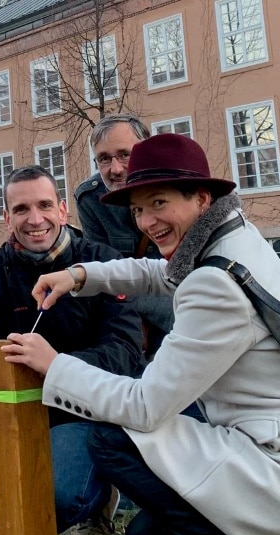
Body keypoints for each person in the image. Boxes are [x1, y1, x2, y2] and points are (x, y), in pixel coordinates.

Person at [4, 134, 280, 535]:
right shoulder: (232, 241)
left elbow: (144, 406)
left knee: (112, 434)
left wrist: (53, 366)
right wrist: (80, 274)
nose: (147, 221)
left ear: (201, 199)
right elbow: (157, 272)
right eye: (141, 209)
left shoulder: (216, 283)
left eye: (160, 203)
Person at [0, 165, 145, 535]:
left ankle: (98, 498)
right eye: (21, 209)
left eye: (45, 205)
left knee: (58, 499)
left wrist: (55, 365)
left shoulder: (102, 265)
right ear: (7, 217)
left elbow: (126, 356)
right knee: (12, 521)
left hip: (96, 411)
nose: (35, 220)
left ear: (63, 211)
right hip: (29, 414)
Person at [74, 114, 172, 357]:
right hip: (135, 323)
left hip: (183, 312)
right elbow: (108, 275)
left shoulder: (178, 187)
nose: (115, 169)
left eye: (124, 155)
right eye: (104, 159)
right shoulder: (91, 200)